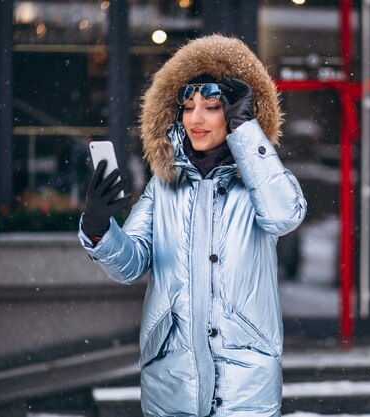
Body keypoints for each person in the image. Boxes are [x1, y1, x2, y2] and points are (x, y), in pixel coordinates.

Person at [78, 34, 307, 416]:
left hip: (245, 385)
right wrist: (100, 227)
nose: (195, 118)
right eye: (187, 106)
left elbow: (284, 215)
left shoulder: (261, 178)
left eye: (212, 106)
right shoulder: (164, 185)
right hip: (172, 381)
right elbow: (130, 264)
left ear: (237, 113)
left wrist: (246, 133)